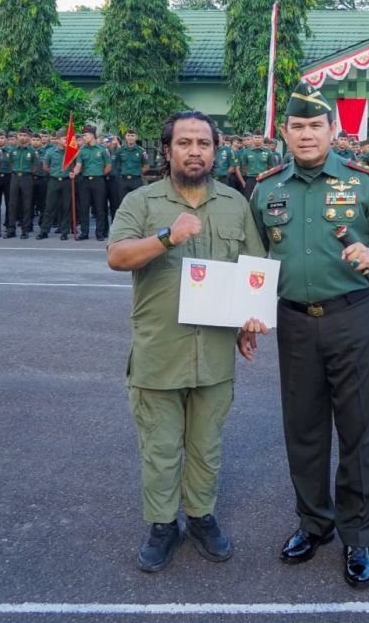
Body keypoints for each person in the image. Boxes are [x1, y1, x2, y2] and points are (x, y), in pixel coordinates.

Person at [250, 89, 369, 590]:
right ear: (285, 133)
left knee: (358, 428)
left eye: (315, 127)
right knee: (303, 427)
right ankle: (313, 524)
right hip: (295, 321)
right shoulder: (265, 188)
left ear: (332, 132)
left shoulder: (363, 183)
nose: (306, 135)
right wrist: (245, 315)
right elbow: (254, 261)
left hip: (354, 318)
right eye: (297, 128)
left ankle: (358, 536)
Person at [107, 110, 268, 573]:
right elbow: (117, 256)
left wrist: (246, 322)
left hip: (214, 354)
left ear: (216, 150)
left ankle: (200, 518)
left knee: (206, 445)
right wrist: (167, 236)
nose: (195, 150)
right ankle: (162, 526)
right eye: (185, 142)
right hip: (160, 352)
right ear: (168, 151)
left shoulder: (236, 204)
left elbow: (252, 269)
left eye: (203, 142)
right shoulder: (142, 202)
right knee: (159, 447)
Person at [72, 125, 111, 240]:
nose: (83, 137)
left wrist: (98, 174)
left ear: (92, 135)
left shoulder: (102, 149)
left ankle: (99, 233)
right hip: (85, 182)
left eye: (85, 135)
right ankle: (84, 233)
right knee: (84, 208)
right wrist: (74, 173)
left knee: (99, 208)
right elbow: (78, 166)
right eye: (83, 135)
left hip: (98, 181)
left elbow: (108, 166)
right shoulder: (82, 150)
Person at [36, 131, 73, 241]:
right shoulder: (50, 152)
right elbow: (46, 167)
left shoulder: (71, 152)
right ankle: (44, 231)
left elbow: (75, 166)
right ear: (57, 140)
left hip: (67, 181)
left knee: (66, 207)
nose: (66, 140)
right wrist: (56, 172)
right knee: (49, 207)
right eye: (64, 138)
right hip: (54, 181)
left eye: (67, 138)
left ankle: (64, 231)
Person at [5, 129, 38, 239]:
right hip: (15, 177)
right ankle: (11, 229)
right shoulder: (12, 150)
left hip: (27, 178)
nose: (22, 137)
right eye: (20, 135)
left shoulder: (32, 151)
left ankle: (25, 230)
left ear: (28, 137)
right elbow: (10, 163)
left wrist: (25, 171)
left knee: (27, 205)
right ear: (17, 136)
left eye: (25, 135)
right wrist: (16, 170)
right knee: (12, 204)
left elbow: (35, 166)